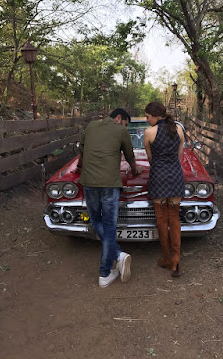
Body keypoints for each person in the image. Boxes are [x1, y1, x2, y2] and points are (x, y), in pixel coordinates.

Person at [77, 108, 141, 288]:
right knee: (109, 226)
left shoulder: (90, 127)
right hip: (110, 185)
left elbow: (82, 152)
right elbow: (130, 156)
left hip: (89, 182)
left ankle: (116, 259)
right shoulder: (120, 131)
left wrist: (78, 169)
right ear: (119, 118)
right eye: (125, 123)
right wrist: (136, 170)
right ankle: (107, 269)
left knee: (96, 220)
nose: (125, 126)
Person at [144, 101, 185, 277]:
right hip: (176, 175)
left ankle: (167, 258)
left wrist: (160, 166)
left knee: (161, 219)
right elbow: (180, 156)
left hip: (158, 177)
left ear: (155, 115)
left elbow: (150, 158)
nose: (146, 120)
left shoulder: (149, 133)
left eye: (147, 117)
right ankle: (176, 259)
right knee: (174, 218)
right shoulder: (179, 129)